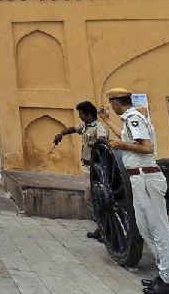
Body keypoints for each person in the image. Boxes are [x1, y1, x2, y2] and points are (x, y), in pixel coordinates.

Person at [99, 88, 169, 294]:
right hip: (138, 178)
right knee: (145, 228)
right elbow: (125, 138)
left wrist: (121, 146)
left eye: (112, 104)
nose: (111, 107)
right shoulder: (129, 119)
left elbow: (147, 148)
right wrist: (106, 121)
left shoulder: (134, 117)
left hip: (147, 177)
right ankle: (165, 275)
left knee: (159, 230)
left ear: (117, 103)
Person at [53, 101, 109, 241]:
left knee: (92, 197)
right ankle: (101, 227)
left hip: (96, 168)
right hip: (86, 167)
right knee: (91, 198)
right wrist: (61, 133)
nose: (80, 117)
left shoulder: (99, 128)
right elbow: (73, 129)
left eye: (82, 115)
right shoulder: (85, 127)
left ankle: (105, 228)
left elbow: (103, 142)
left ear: (89, 115)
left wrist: (94, 143)